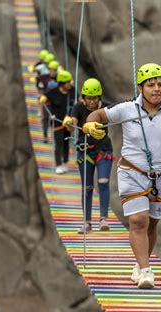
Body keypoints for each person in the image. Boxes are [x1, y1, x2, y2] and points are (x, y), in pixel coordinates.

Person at [83, 63, 161, 289]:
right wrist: (90, 124)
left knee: (151, 225)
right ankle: (145, 271)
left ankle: (141, 264)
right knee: (138, 221)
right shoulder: (126, 109)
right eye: (150, 85)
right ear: (140, 88)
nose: (156, 89)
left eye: (160, 84)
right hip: (132, 172)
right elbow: (99, 114)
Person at [62, 78, 114, 233]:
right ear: (83, 98)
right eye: (89, 98)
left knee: (103, 182)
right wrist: (68, 122)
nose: (92, 102)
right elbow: (73, 125)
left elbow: (118, 115)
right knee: (88, 187)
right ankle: (87, 222)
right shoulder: (78, 107)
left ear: (99, 97)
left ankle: (103, 219)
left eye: (95, 98)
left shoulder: (106, 108)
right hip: (85, 151)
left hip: (104, 149)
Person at [39, 70, 75, 174]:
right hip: (57, 122)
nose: (70, 84)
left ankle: (65, 162)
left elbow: (77, 99)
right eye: (68, 82)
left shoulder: (72, 91)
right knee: (58, 143)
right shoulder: (53, 92)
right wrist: (42, 98)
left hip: (68, 122)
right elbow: (45, 96)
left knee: (66, 143)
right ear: (62, 83)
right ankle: (58, 164)